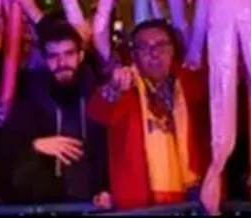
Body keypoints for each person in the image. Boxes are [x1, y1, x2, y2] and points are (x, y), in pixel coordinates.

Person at [88, 19, 210, 210]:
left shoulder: (190, 84)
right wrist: (114, 88)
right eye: (144, 48)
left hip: (192, 197)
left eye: (161, 45)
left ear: (173, 50)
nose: (154, 53)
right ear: (134, 55)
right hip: (139, 203)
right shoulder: (126, 87)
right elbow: (97, 111)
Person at [0, 20, 109, 206]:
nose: (62, 63)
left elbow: (110, 149)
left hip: (94, 202)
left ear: (80, 55)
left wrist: (106, 189)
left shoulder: (98, 94)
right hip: (46, 202)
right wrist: (35, 145)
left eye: (69, 54)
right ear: (44, 59)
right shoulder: (29, 96)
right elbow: (4, 150)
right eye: (53, 56)